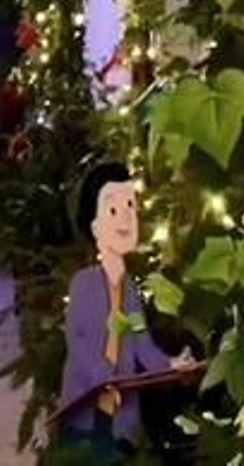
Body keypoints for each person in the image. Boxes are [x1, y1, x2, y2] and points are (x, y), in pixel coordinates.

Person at [57, 162, 173, 460]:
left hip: (121, 417)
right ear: (94, 225)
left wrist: (172, 366)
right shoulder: (84, 285)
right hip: (85, 410)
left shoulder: (130, 290)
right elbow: (78, 342)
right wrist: (102, 376)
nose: (124, 217)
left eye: (130, 206)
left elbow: (142, 345)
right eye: (112, 209)